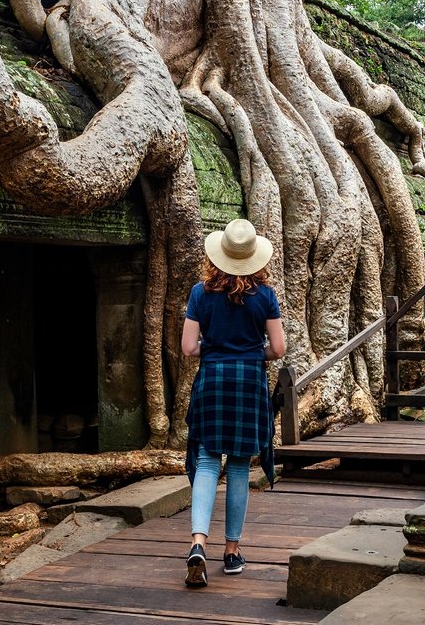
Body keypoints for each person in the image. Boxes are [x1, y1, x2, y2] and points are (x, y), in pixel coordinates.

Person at [181, 218, 286, 588]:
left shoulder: (199, 293)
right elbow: (278, 348)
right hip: (248, 380)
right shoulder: (266, 296)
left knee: (208, 460)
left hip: (212, 379)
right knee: (239, 465)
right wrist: (251, 352)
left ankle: (197, 543)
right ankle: (231, 551)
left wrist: (215, 348)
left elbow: (189, 348)